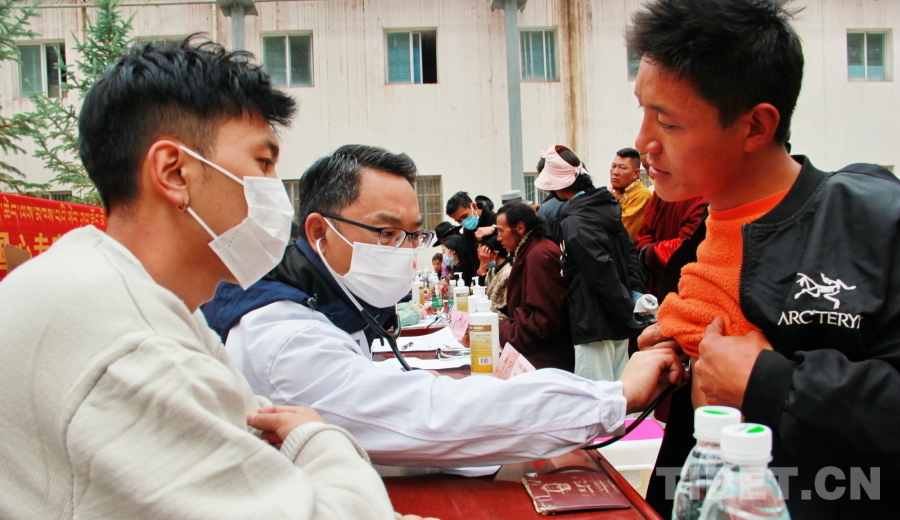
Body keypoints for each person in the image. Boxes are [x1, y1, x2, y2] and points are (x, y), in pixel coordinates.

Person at [0, 39, 415, 520]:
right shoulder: (131, 346)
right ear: (174, 173)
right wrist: (321, 439)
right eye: (263, 164)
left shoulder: (128, 293)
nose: (275, 193)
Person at [203, 144, 688, 468]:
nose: (403, 250)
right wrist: (615, 398)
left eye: (412, 234)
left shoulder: (324, 302)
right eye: (386, 233)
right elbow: (426, 417)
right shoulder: (286, 338)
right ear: (319, 233)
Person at [629, 1, 900, 518]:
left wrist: (771, 383)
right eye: (641, 110)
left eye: (667, 121)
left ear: (755, 126)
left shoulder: (870, 223)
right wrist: (675, 360)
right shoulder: (700, 236)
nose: (643, 142)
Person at [535, 145, 646, 382]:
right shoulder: (606, 207)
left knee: (593, 392)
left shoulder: (576, 221)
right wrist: (631, 299)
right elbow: (629, 255)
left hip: (592, 319)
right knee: (620, 390)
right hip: (618, 317)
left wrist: (625, 307)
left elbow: (600, 271)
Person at [495, 201, 575, 372]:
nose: (498, 238)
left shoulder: (538, 255)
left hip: (548, 360)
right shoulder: (534, 249)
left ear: (520, 228)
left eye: (501, 231)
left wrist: (501, 328)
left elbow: (544, 322)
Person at [634, 193, 706, 297]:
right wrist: (646, 250)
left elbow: (686, 247)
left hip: (685, 286)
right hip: (655, 283)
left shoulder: (703, 197)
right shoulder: (662, 191)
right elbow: (644, 231)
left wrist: (648, 253)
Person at [445, 191, 496, 284]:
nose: (464, 222)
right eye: (459, 221)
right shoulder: (468, 231)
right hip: (479, 282)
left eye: (465, 216)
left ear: (473, 206)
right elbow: (465, 263)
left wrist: (495, 228)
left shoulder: (496, 221)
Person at [610, 147, 652, 240]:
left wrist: (612, 205)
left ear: (635, 173)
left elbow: (622, 233)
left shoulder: (642, 195)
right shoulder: (616, 192)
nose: (615, 172)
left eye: (622, 168)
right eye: (613, 166)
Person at [475, 234, 511, 318]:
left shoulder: (507, 273)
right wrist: (482, 267)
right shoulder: (493, 270)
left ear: (494, 254)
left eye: (483, 254)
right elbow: (475, 292)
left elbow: (501, 308)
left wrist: (483, 264)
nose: (480, 257)